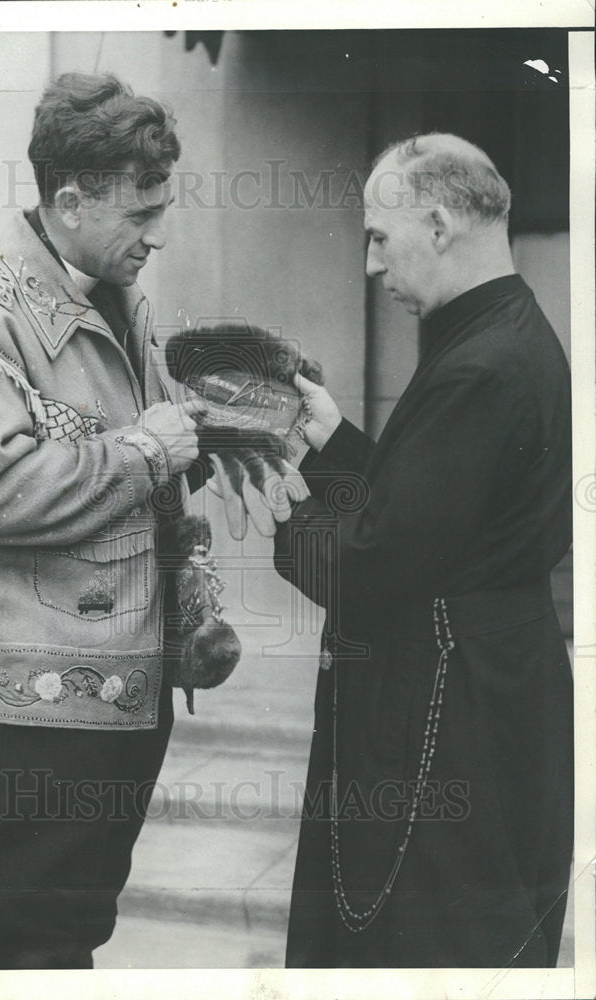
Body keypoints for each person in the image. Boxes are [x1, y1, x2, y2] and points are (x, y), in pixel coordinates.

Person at [0, 72, 207, 970]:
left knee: (68, 941)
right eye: (139, 214)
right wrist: (147, 451)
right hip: (31, 716)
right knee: (22, 947)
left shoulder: (116, 300)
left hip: (109, 701)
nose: (157, 233)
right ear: (69, 202)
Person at [274, 133, 573, 967]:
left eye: (378, 236)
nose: (371, 264)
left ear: (437, 224)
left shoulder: (481, 365)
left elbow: (372, 565)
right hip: (487, 682)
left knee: (422, 952)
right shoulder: (502, 333)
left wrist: (284, 506)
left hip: (448, 712)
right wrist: (334, 442)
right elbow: (439, 515)